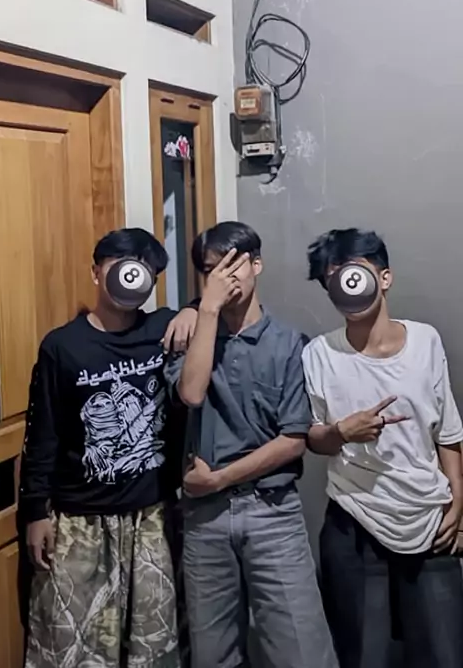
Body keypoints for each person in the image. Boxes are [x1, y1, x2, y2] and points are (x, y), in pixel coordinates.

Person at [19, 227, 198, 668]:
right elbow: (43, 433)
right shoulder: (62, 346)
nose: (130, 276)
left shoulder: (164, 329)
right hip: (79, 517)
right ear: (96, 272)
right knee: (71, 647)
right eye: (119, 264)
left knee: (151, 648)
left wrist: (194, 310)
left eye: (143, 269)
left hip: (151, 516)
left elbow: (209, 320)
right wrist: (35, 512)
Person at [164, 221, 338, 668]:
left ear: (256, 265)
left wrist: (219, 478)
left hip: (272, 511)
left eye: (233, 264)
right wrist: (204, 310)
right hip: (205, 519)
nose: (225, 277)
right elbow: (192, 393)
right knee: (213, 653)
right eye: (212, 270)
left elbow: (293, 441)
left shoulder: (290, 344)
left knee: (302, 649)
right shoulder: (190, 337)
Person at [303, 227, 463, 668]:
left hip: (427, 518)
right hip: (354, 523)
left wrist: (458, 500)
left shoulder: (426, 341)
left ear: (384, 277)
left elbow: (448, 430)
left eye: (352, 272)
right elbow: (312, 437)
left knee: (444, 653)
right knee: (364, 656)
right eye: (332, 279)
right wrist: (341, 432)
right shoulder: (319, 353)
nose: (343, 286)